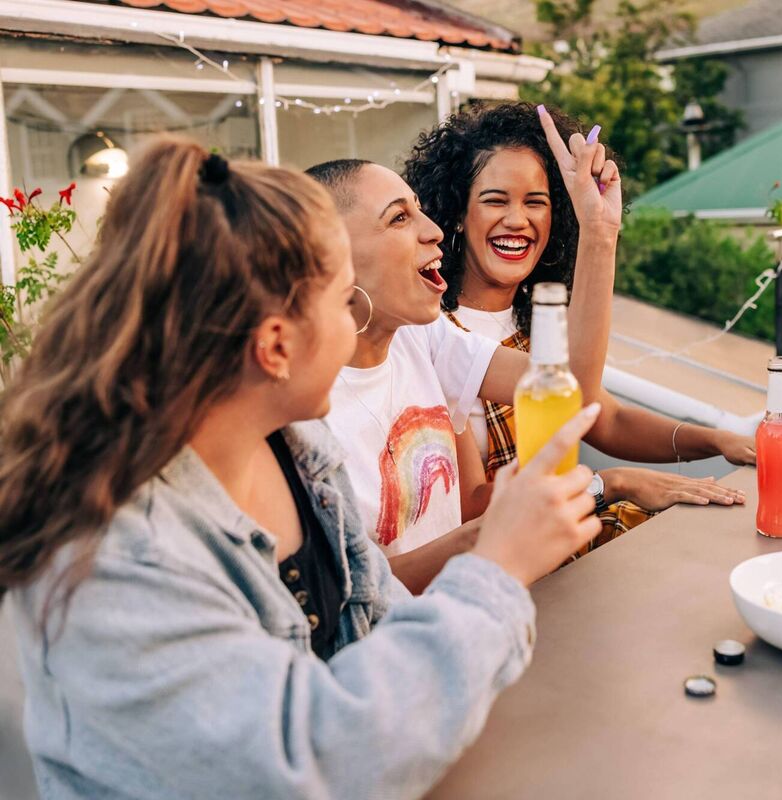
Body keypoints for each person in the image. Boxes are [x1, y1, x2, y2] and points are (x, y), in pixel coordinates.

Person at [0, 137, 606, 799]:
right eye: (343, 302)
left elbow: (380, 620)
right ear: (275, 346)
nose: (355, 326)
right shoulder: (117, 559)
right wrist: (497, 568)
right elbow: (312, 763)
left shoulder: (299, 452)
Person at [404, 102, 782, 543]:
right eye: (495, 200)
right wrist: (609, 483)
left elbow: (607, 419)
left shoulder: (537, 322)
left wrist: (719, 441)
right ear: (457, 213)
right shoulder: (435, 336)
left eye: (536, 202)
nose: (518, 220)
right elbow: (469, 506)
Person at [311, 107, 626, 591]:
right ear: (333, 259)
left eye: (419, 209)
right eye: (399, 218)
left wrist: (599, 232)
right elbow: (357, 595)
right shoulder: (306, 420)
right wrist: (496, 532)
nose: (434, 229)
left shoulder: (422, 337)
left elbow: (574, 389)